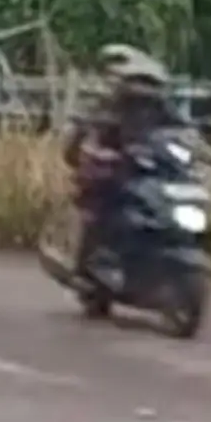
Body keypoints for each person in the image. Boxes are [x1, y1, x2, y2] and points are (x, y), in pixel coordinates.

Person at [61, 45, 184, 266]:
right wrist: (100, 146)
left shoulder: (162, 107)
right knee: (103, 199)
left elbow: (183, 129)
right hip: (115, 162)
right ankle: (87, 259)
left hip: (149, 164)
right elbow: (87, 127)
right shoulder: (109, 104)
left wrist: (201, 150)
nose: (144, 90)